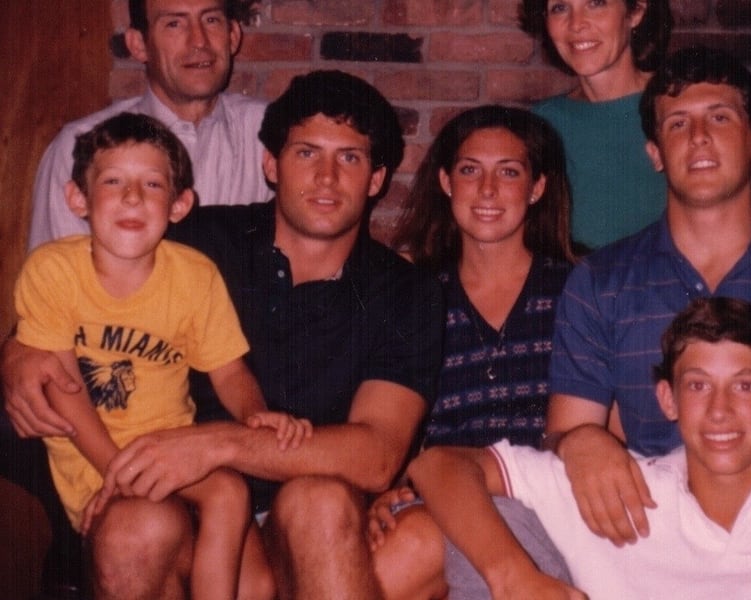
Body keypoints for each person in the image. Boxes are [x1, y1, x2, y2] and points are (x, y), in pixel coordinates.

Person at [3, 69, 442, 599]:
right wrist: (16, 353)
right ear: (271, 164)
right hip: (183, 505)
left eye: (349, 158)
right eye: (306, 153)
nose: (327, 177)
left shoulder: (406, 291)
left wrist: (216, 445)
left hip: (307, 520)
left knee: (320, 502)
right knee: (135, 526)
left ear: (376, 179)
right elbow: (73, 306)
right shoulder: (197, 242)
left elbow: (376, 456)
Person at [14, 112, 314, 599]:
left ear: (179, 205)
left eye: (151, 184)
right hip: (94, 459)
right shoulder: (53, 270)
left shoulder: (194, 275)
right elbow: (63, 390)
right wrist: (118, 473)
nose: (132, 197)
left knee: (232, 493)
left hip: (172, 448)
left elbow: (228, 369)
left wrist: (256, 416)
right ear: (77, 198)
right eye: (113, 181)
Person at [542, 45, 751, 551]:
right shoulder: (600, 282)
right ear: (655, 153)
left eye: (719, 117)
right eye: (677, 123)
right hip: (649, 534)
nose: (699, 136)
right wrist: (580, 444)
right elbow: (567, 431)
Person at [410, 297, 751, 600]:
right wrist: (512, 576)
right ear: (668, 399)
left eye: (745, 386)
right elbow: (438, 465)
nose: (719, 410)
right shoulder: (623, 488)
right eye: (698, 385)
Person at [368, 105, 576, 599]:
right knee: (408, 536)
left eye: (508, 172)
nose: (487, 191)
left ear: (537, 188)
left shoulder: (577, 289)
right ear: (445, 182)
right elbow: (390, 423)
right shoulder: (414, 296)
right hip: (439, 499)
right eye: (469, 171)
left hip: (549, 507)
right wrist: (382, 490)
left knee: (421, 538)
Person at [519, 0, 751, 249]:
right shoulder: (545, 122)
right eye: (559, 8)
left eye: (596, 3)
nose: (577, 24)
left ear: (636, 11)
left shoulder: (685, 106)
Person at [27, 0, 270, 250]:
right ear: (139, 45)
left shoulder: (272, 134)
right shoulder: (78, 147)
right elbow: (55, 280)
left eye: (211, 20)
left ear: (232, 35)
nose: (199, 41)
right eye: (174, 24)